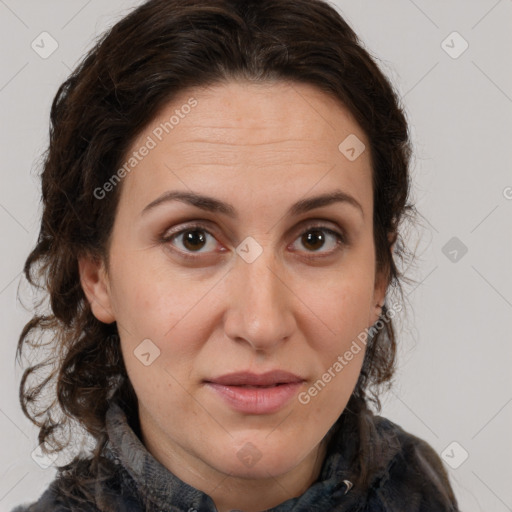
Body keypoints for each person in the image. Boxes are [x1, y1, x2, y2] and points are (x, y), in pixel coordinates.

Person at [12, 0, 460, 510]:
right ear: (96, 275)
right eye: (193, 239)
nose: (262, 323)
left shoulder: (416, 484)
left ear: (379, 274)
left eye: (316, 238)